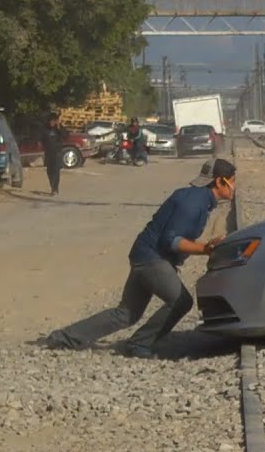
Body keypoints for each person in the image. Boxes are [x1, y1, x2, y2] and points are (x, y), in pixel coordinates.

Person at [40, 158, 236, 358]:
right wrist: (205, 249)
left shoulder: (197, 198)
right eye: (233, 181)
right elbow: (173, 241)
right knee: (180, 301)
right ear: (220, 182)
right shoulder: (194, 202)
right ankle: (140, 345)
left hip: (145, 254)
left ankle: (62, 338)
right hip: (152, 258)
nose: (234, 186)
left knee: (126, 313)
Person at [41, 112, 66, 196]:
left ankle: (55, 189)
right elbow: (41, 139)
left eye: (53, 121)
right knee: (49, 171)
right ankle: (52, 186)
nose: (52, 123)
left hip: (57, 153)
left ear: (56, 121)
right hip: (48, 153)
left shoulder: (59, 129)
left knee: (56, 171)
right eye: (50, 121)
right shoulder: (45, 129)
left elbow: (65, 136)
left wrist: (59, 128)